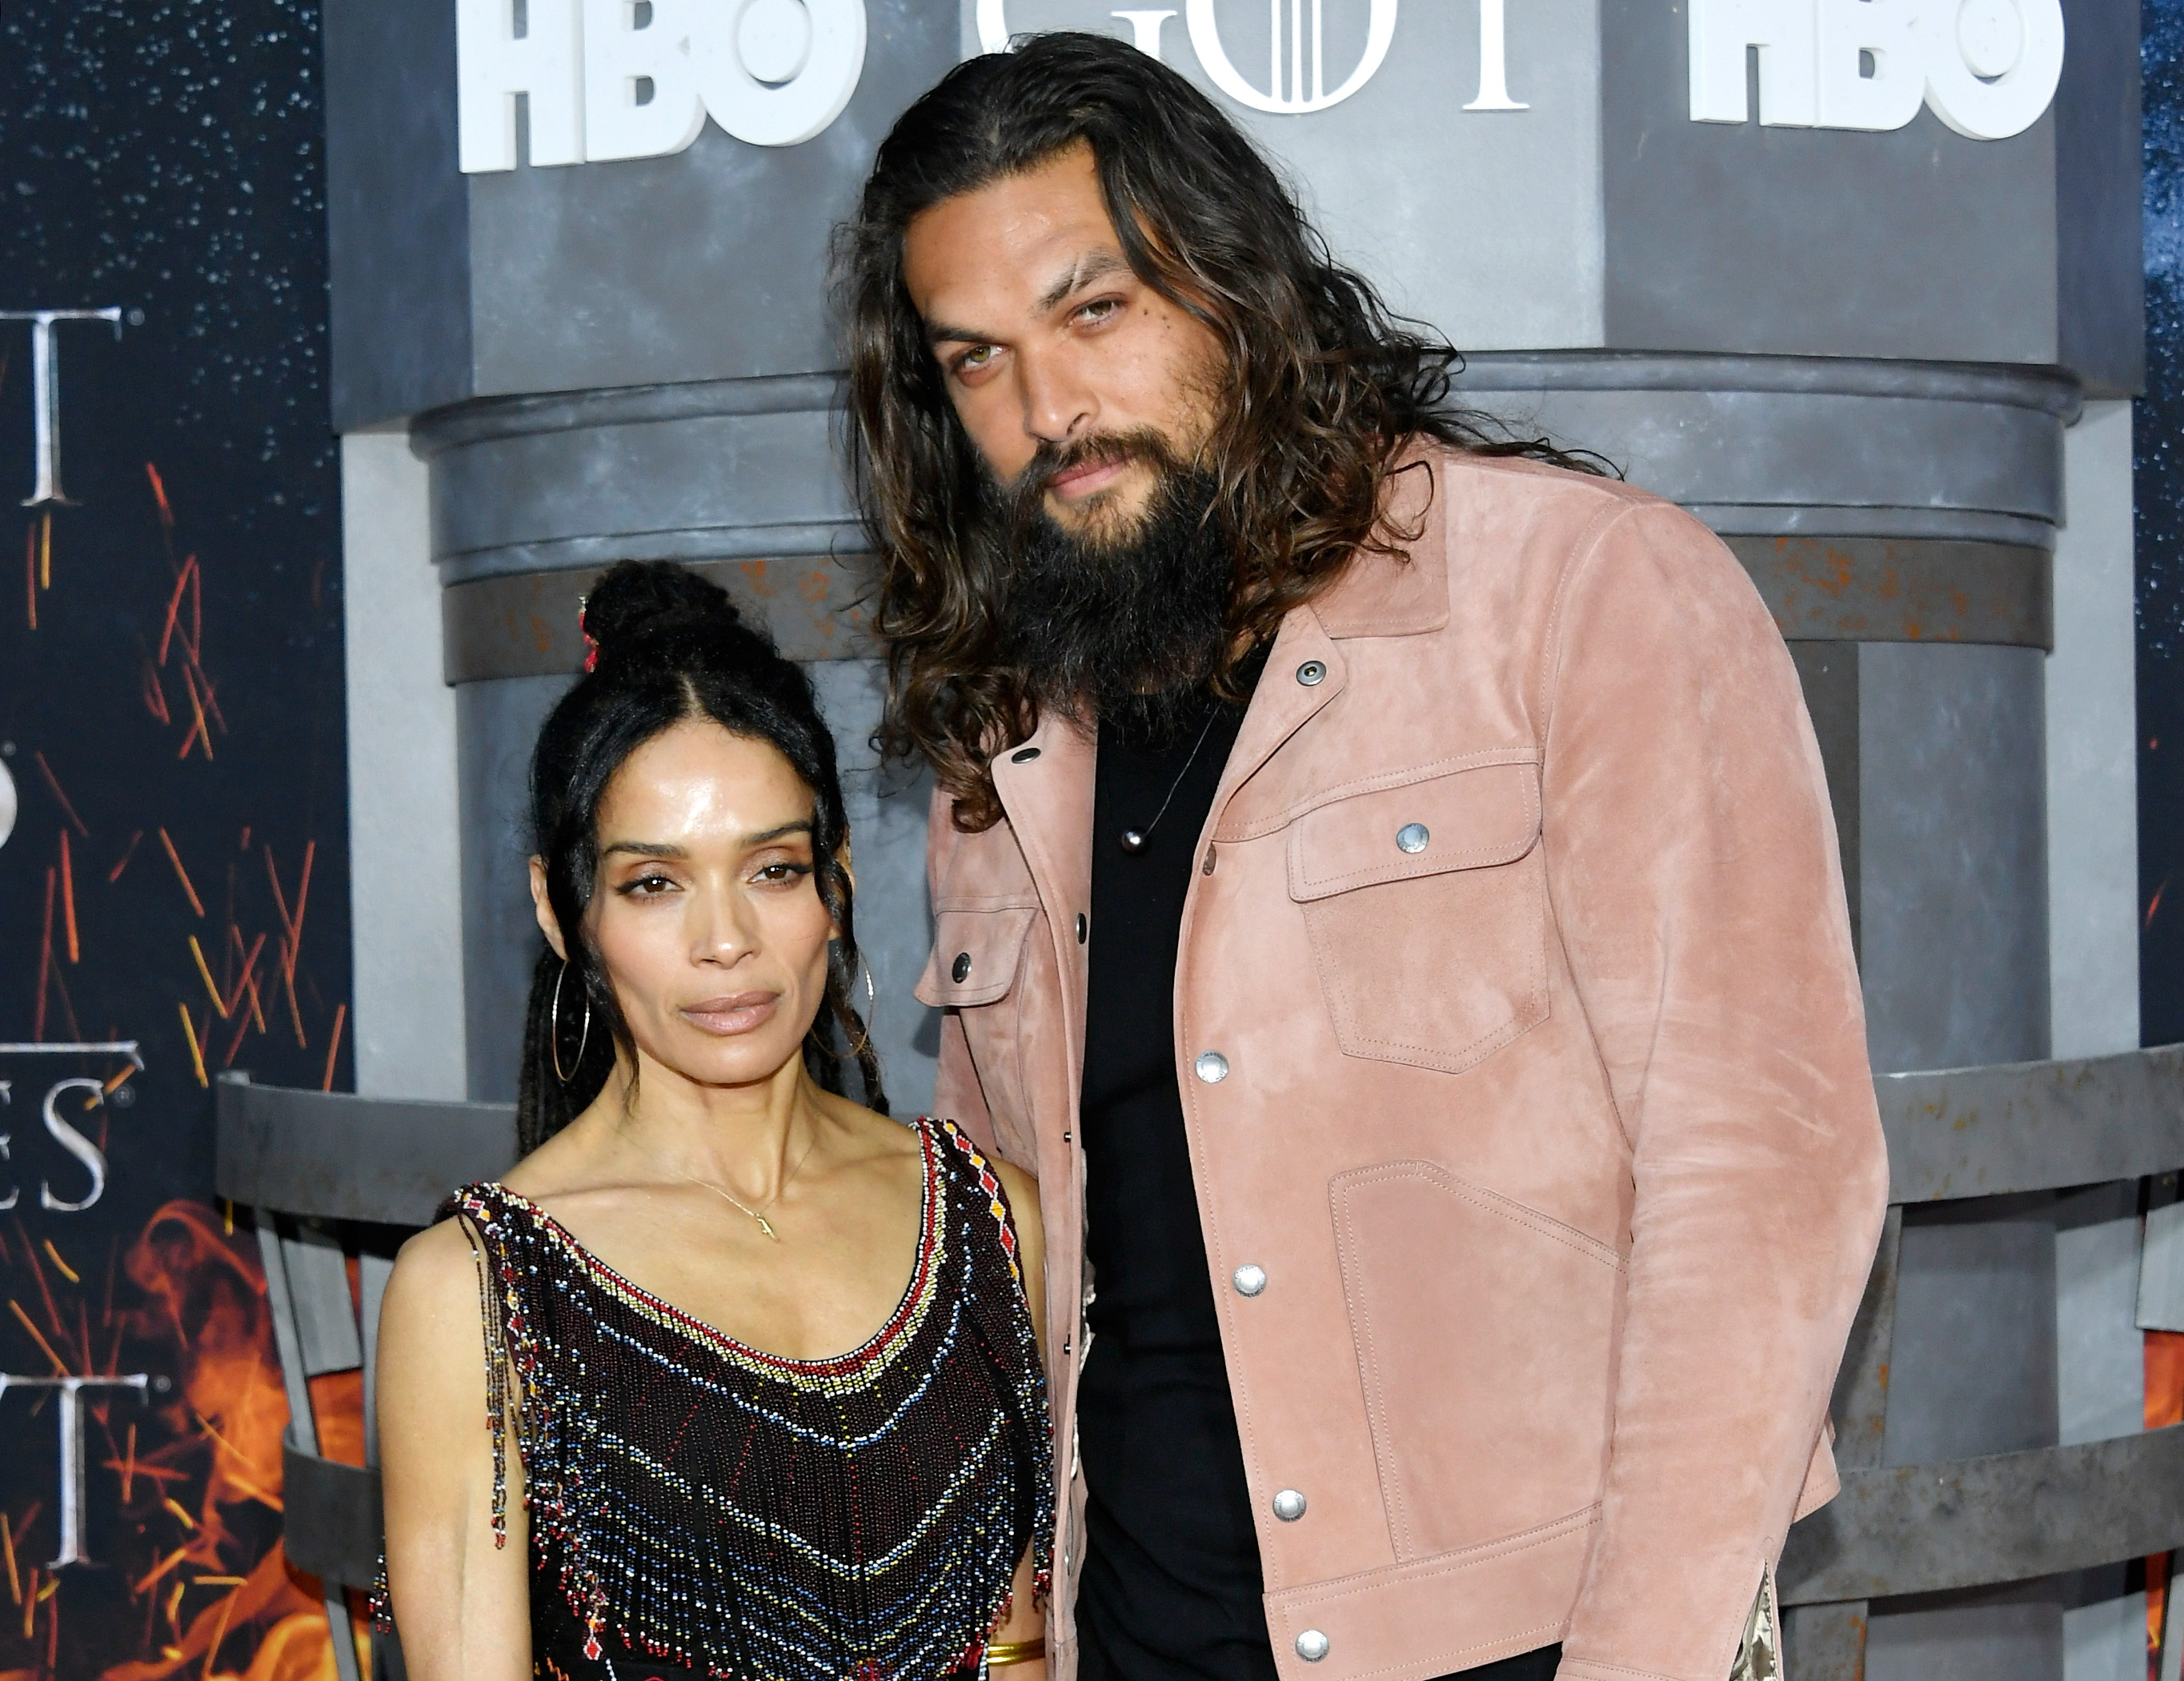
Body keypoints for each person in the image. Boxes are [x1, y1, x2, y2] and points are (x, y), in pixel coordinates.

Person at [833, 32, 1890, 1681]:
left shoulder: (1583, 596)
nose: (1047, 407)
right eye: (977, 359)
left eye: (1096, 309)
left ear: (1232, 286)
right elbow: (1019, 1267)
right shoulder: (1005, 755)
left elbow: (1767, 1187)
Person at [375, 562, 1055, 1681]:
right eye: (654, 883)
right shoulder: (478, 1291)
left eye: (773, 868)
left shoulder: (989, 1221)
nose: (725, 940)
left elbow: (1022, 1647)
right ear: (563, 909)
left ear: (833, 883)